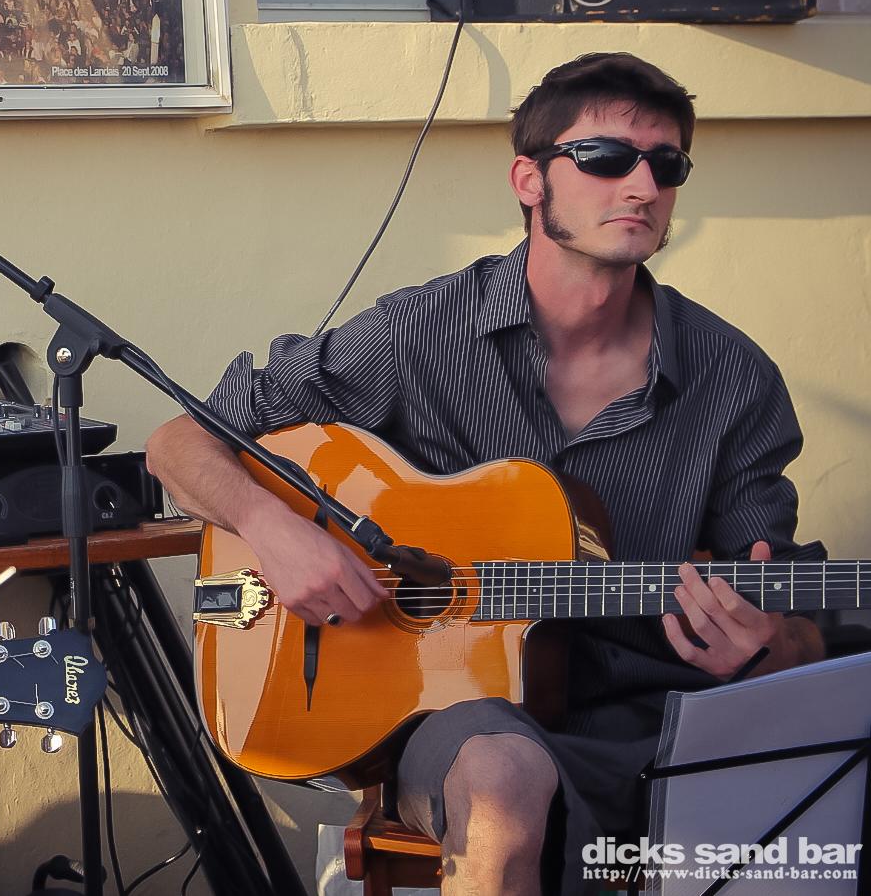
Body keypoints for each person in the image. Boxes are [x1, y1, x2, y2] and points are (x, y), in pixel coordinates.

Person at [145, 52, 827, 896]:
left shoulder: (733, 376)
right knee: (501, 782)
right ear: (528, 180)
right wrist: (273, 529)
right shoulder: (416, 333)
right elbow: (178, 441)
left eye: (666, 164)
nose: (642, 185)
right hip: (462, 715)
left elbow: (791, 619)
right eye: (606, 157)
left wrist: (765, 646)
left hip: (655, 716)